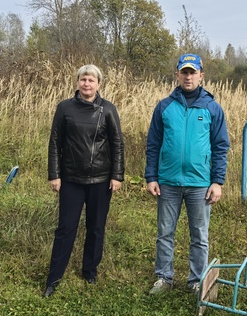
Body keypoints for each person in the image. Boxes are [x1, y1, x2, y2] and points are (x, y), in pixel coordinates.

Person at [145, 53, 230, 295]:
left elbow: (221, 146)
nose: (188, 76)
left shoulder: (212, 108)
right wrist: (151, 176)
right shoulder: (165, 107)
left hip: (200, 183)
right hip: (168, 182)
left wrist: (217, 181)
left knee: (199, 236)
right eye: (184, 72)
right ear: (177, 75)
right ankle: (163, 278)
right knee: (165, 232)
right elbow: (153, 143)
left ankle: (196, 281)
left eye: (193, 72)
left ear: (201, 75)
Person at [44, 64, 124, 297]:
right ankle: (54, 277)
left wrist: (117, 175)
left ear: (98, 84)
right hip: (71, 179)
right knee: (65, 228)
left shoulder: (108, 110)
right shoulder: (65, 108)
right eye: (83, 80)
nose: (86, 84)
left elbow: (117, 143)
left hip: (100, 179)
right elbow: (55, 142)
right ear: (77, 82)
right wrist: (54, 174)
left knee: (96, 227)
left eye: (91, 80)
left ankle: (89, 270)